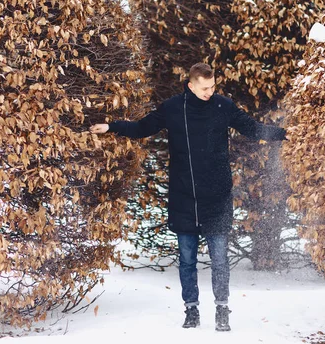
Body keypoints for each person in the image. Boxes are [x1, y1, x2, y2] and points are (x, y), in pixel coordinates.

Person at [90, 63, 287, 331]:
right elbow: (142, 127)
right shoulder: (173, 108)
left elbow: (251, 128)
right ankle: (191, 310)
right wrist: (112, 127)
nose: (210, 91)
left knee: (219, 260)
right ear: (191, 86)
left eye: (213, 86)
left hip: (217, 196)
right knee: (187, 260)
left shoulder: (223, 106)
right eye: (205, 88)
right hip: (184, 197)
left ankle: (222, 310)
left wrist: (283, 134)